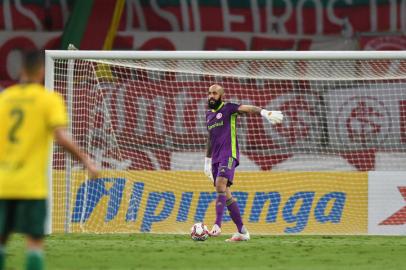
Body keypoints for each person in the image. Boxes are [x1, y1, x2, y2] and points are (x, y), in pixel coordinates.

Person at [0, 50, 99, 270]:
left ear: (21, 70)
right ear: (42, 71)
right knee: (34, 243)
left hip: (3, 184)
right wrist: (86, 161)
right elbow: (61, 138)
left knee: (2, 242)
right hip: (31, 187)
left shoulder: (4, 98)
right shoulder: (48, 99)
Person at [204, 84, 283, 242]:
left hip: (229, 154)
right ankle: (242, 231)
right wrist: (206, 161)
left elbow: (249, 108)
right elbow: (210, 139)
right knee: (226, 194)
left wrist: (264, 112)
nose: (211, 96)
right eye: (209, 93)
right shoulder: (208, 115)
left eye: (214, 93)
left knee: (220, 185)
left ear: (221, 96)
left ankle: (217, 225)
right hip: (216, 158)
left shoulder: (229, 108)